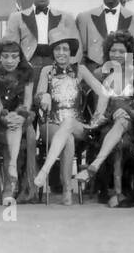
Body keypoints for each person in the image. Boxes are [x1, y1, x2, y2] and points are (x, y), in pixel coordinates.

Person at [75, 31, 134, 207]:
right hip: (107, 122)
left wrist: (126, 111)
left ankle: (96, 166)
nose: (116, 55)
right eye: (113, 51)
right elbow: (98, 105)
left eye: (121, 51)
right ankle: (116, 192)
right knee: (119, 141)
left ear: (129, 53)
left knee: (123, 123)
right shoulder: (100, 73)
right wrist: (109, 114)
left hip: (132, 122)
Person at [31, 37, 100, 204]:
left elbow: (102, 91)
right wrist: (44, 95)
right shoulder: (46, 70)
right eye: (57, 49)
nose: (61, 53)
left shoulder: (81, 69)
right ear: (52, 52)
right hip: (52, 122)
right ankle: (67, 188)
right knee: (66, 138)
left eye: (65, 49)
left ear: (71, 52)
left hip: (77, 124)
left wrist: (98, 116)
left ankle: (46, 172)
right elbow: (37, 96)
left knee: (68, 127)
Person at [0, 39, 36, 201]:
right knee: (9, 128)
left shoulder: (27, 71)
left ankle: (9, 188)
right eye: (6, 56)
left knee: (16, 126)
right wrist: (4, 115)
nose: (10, 61)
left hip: (20, 115)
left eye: (14, 57)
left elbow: (28, 101)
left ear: (20, 58)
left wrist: (20, 115)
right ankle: (6, 182)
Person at [3, 0, 74, 63]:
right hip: (28, 63)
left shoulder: (65, 17)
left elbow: (74, 48)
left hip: (56, 62)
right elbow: (11, 46)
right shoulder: (17, 17)